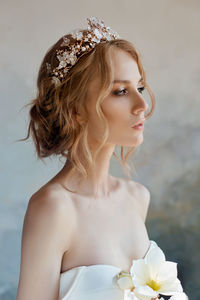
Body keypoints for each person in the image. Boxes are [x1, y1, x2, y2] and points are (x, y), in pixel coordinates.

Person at [16, 17, 187, 300]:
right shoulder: (53, 209)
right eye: (121, 91)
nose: (142, 104)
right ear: (75, 110)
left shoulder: (137, 198)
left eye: (139, 87)